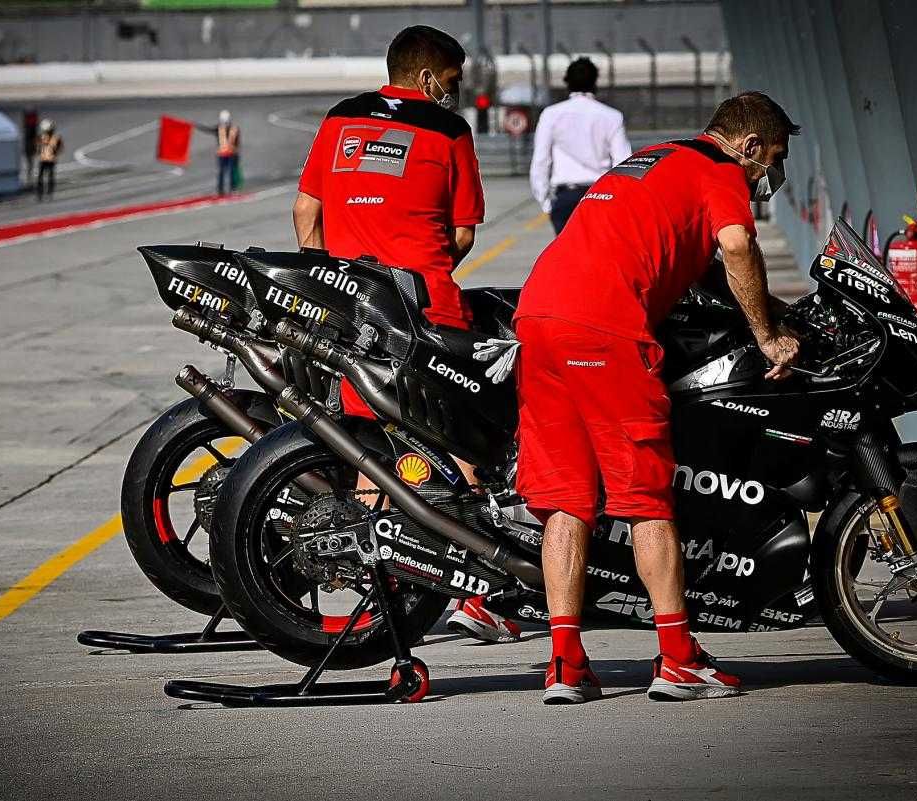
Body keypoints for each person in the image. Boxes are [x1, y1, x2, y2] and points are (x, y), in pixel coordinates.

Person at [513, 92, 801, 704]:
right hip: (604, 329)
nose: (764, 176)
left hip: (539, 315)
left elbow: (689, 262)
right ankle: (676, 659)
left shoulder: (654, 158)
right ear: (748, 146)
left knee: (567, 498)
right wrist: (770, 336)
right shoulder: (720, 171)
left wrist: (770, 309)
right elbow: (737, 248)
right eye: (769, 161)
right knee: (645, 496)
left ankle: (564, 665)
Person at [293, 25, 519, 644]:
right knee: (460, 441)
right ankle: (480, 593)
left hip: (350, 308)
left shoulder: (340, 119)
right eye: (452, 80)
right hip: (428, 309)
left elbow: (306, 215)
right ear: (426, 77)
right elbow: (465, 234)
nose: (456, 91)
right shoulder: (449, 132)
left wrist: (333, 282)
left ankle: (380, 594)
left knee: (372, 448)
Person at [529, 57, 633, 234]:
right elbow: (623, 163)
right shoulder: (612, 116)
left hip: (565, 196)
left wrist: (546, 202)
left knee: (570, 258)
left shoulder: (551, 114)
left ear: (567, 83)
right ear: (594, 83)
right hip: (599, 195)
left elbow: (541, 160)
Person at [215, 110, 240, 196]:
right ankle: (221, 190)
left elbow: (237, 142)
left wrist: (235, 151)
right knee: (222, 172)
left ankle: (233, 188)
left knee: (232, 171)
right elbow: (208, 130)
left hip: (232, 154)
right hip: (222, 154)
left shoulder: (234, 129)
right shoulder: (219, 129)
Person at [36, 119, 62, 201]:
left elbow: (59, 147)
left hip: (50, 160)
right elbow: (38, 147)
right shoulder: (41, 137)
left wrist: (54, 153)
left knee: (49, 177)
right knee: (41, 177)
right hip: (44, 159)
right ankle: (40, 193)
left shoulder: (55, 138)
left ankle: (49, 193)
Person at [22, 107, 40, 184]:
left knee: (29, 163)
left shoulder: (28, 126)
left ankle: (29, 178)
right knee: (30, 163)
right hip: (30, 145)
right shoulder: (32, 126)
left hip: (29, 145)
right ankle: (29, 178)